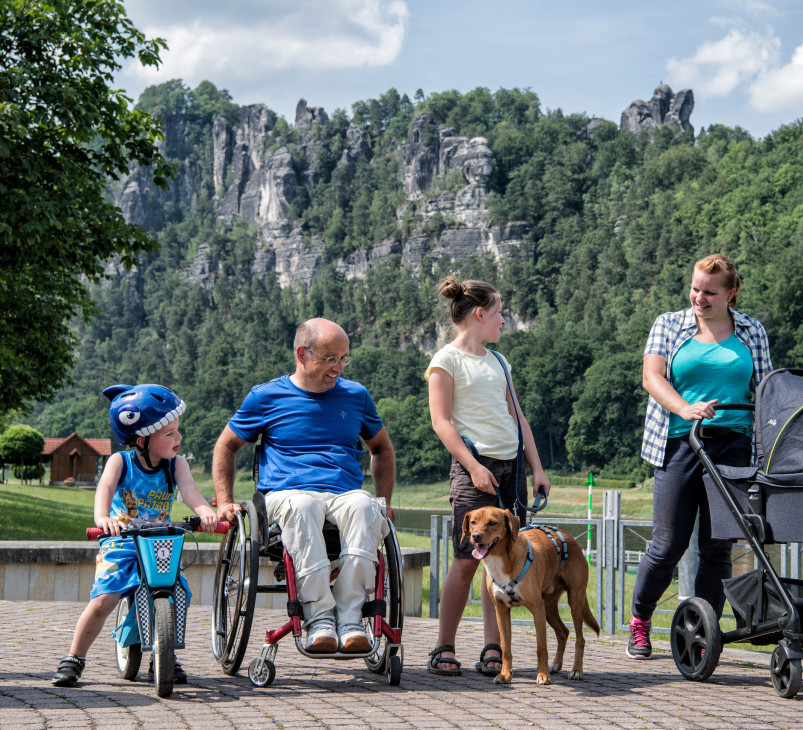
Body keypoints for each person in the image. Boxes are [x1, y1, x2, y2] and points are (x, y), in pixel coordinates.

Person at [212, 318, 395, 654]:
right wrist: (224, 500)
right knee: (304, 505)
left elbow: (381, 449)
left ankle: (351, 618)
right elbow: (226, 446)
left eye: (343, 358)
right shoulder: (266, 396)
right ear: (302, 353)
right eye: (329, 358)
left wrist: (384, 498)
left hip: (342, 493)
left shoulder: (357, 396)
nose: (338, 367)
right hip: (288, 493)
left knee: (367, 506)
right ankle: (320, 617)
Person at [627, 253, 772, 660]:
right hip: (681, 441)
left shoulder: (752, 332)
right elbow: (651, 377)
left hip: (734, 446)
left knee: (717, 548)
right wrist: (684, 408)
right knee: (667, 544)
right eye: (695, 289)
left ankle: (702, 632)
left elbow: (765, 390)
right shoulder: (668, 325)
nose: (699, 298)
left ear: (731, 293)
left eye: (710, 292)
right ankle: (640, 621)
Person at [425, 276, 551, 676]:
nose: (504, 321)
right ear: (480, 314)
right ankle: (444, 646)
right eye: (499, 313)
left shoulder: (499, 361)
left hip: (511, 469)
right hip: (473, 468)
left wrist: (537, 468)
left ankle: (492, 650)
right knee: (468, 559)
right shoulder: (445, 360)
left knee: (502, 558)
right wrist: (474, 467)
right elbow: (441, 422)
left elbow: (519, 419)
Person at [52, 384, 218, 687]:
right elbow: (104, 490)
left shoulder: (176, 464)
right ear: (142, 439)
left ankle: (165, 654)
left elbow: (190, 491)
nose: (178, 438)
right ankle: (74, 658)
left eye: (178, 430)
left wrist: (205, 511)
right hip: (121, 540)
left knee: (174, 593)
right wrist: (103, 518)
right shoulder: (121, 462)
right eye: (169, 434)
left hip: (159, 543)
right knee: (104, 598)